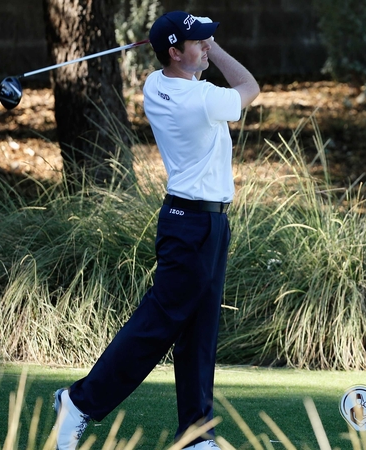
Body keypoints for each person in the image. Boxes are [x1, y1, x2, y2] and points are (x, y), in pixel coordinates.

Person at [52, 11, 260, 450]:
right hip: (193, 225)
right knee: (158, 326)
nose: (205, 46)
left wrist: (196, 43)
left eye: (207, 40)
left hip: (203, 222)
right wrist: (217, 51)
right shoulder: (199, 98)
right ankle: (79, 401)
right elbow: (250, 88)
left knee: (199, 331)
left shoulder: (154, 84)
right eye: (198, 42)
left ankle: (196, 434)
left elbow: (177, 68)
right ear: (174, 52)